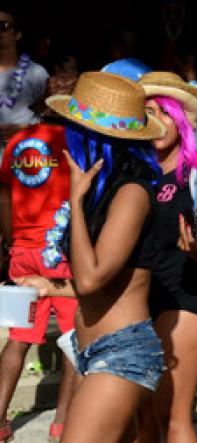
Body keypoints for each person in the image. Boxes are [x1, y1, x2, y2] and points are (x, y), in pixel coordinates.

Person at [45, 71, 166, 443]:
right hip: (91, 350)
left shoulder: (132, 193)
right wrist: (47, 288)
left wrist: (76, 204)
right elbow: (94, 285)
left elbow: (92, 277)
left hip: (121, 352)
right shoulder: (104, 195)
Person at [137, 71, 197, 443]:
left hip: (187, 293)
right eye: (146, 113)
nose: (155, 121)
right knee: (141, 416)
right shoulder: (134, 173)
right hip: (138, 299)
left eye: (163, 112)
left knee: (171, 415)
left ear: (180, 119)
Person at [0, 121, 79, 442]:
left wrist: (12, 242)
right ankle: (62, 424)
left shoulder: (16, 140)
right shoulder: (73, 140)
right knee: (74, 339)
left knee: (18, 338)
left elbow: (4, 199)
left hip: (22, 249)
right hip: (59, 251)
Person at [0, 2, 48, 151]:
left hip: (25, 160)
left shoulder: (37, 72)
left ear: (17, 35)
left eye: (4, 25)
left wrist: (25, 130)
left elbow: (51, 120)